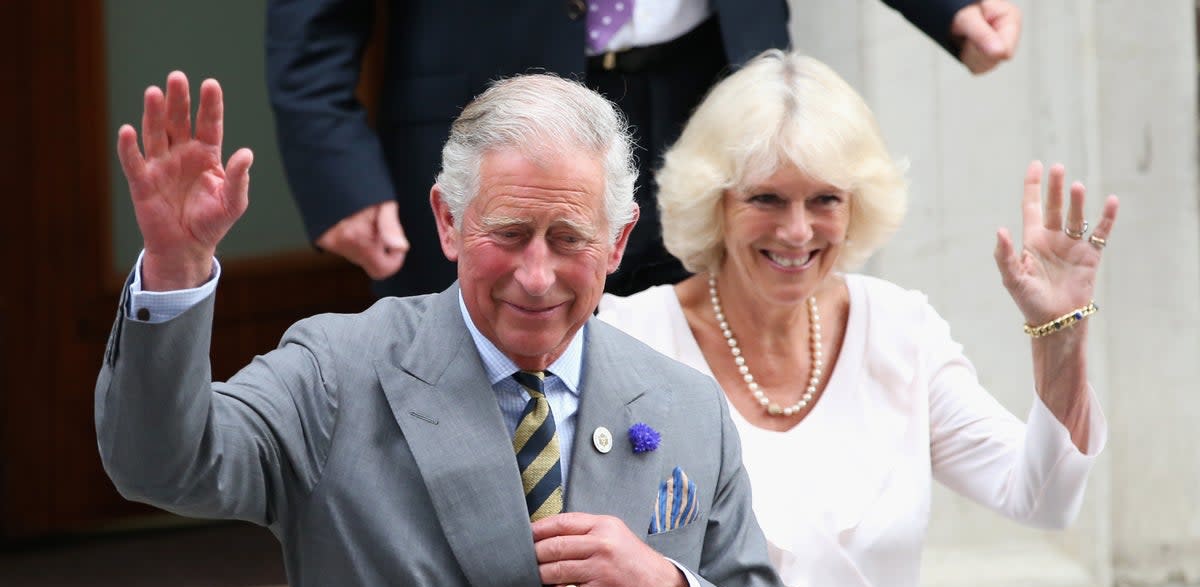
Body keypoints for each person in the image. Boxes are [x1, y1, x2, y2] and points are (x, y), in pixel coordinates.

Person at [97, 69, 808, 587]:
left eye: (568, 238)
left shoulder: (682, 407)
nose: (536, 276)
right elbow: (164, 465)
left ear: (620, 239)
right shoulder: (340, 369)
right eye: (509, 234)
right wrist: (177, 269)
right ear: (447, 220)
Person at [598, 49, 1116, 587]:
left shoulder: (900, 334)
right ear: (715, 201)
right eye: (767, 198)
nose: (799, 230)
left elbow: (1041, 494)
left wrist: (1061, 333)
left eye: (825, 200)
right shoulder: (630, 343)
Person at [266, 0, 1022, 299]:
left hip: (708, 100)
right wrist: (332, 159)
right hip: (501, 122)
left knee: (713, 403)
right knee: (488, 412)